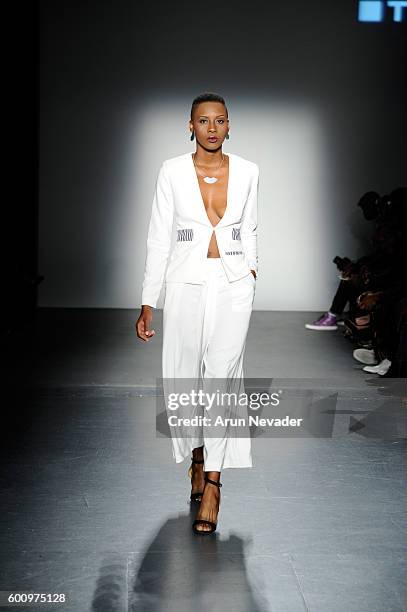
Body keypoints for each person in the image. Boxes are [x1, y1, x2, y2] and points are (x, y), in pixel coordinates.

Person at [135, 92, 259, 534]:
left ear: (230, 125)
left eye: (220, 120)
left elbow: (249, 225)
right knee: (186, 380)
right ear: (190, 125)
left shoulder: (248, 171)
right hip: (185, 283)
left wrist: (251, 267)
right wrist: (149, 302)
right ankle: (198, 455)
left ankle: (213, 485)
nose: (212, 128)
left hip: (232, 285)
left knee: (222, 378)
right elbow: (157, 238)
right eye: (203, 120)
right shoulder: (171, 171)